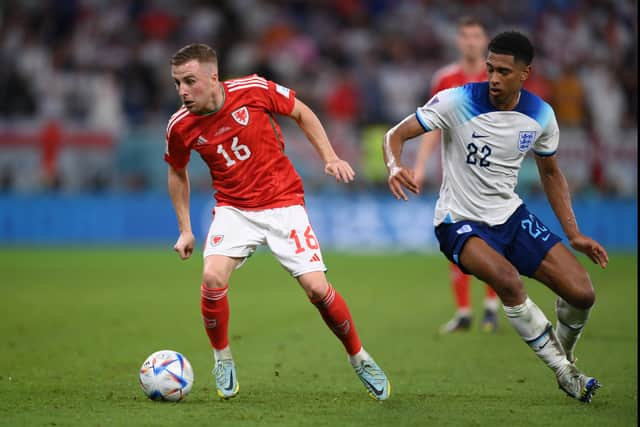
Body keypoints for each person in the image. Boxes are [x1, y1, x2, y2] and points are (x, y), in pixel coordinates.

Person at [383, 32, 608, 403]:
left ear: (525, 73)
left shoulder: (540, 115)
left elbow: (551, 174)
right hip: (459, 222)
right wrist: (394, 166)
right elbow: (396, 134)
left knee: (582, 293)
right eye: (490, 69)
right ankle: (564, 372)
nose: (494, 78)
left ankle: (564, 354)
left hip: (510, 216)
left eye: (504, 71)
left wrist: (575, 233)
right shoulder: (457, 100)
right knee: (507, 279)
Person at [164, 44, 390, 401]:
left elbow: (302, 112)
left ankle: (358, 356)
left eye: (189, 81)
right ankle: (222, 358)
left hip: (284, 203)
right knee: (211, 277)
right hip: (234, 209)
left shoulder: (252, 90)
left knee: (317, 289)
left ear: (212, 77)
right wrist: (185, 229)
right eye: (177, 83)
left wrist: (329, 157)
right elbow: (177, 171)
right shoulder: (180, 126)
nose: (182, 91)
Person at [413, 17, 499, 334]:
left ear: (485, 39)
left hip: (493, 175)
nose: (471, 42)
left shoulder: (499, 77)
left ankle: (491, 307)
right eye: (465, 36)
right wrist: (419, 168)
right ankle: (463, 312)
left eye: (476, 36)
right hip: (455, 176)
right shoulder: (446, 78)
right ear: (458, 41)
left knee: (492, 241)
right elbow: (429, 126)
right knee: (454, 238)